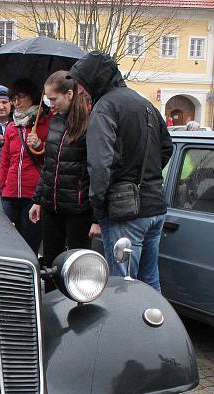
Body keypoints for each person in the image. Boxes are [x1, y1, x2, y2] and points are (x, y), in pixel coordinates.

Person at [67, 51, 172, 292]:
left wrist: (98, 204)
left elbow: (99, 164)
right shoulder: (145, 103)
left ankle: (126, 331)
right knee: (149, 281)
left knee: (121, 289)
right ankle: (153, 329)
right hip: (154, 206)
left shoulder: (104, 108)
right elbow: (167, 147)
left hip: (125, 212)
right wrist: (144, 177)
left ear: (95, 78)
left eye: (81, 82)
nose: (80, 90)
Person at [28, 71, 98, 268]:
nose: (50, 104)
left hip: (78, 210)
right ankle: (52, 299)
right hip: (52, 206)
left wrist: (96, 218)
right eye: (48, 99)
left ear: (69, 94)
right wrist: (38, 200)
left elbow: (97, 172)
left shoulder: (89, 124)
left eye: (53, 99)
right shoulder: (56, 121)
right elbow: (49, 165)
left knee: (77, 265)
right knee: (51, 264)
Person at [0, 78, 50, 254]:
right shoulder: (12, 128)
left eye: (21, 97)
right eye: (14, 98)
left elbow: (51, 159)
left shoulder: (43, 125)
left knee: (29, 245)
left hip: (32, 196)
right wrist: (0, 190)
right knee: (5, 244)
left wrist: (39, 145)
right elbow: (5, 163)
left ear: (33, 98)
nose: (16, 102)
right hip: (10, 195)